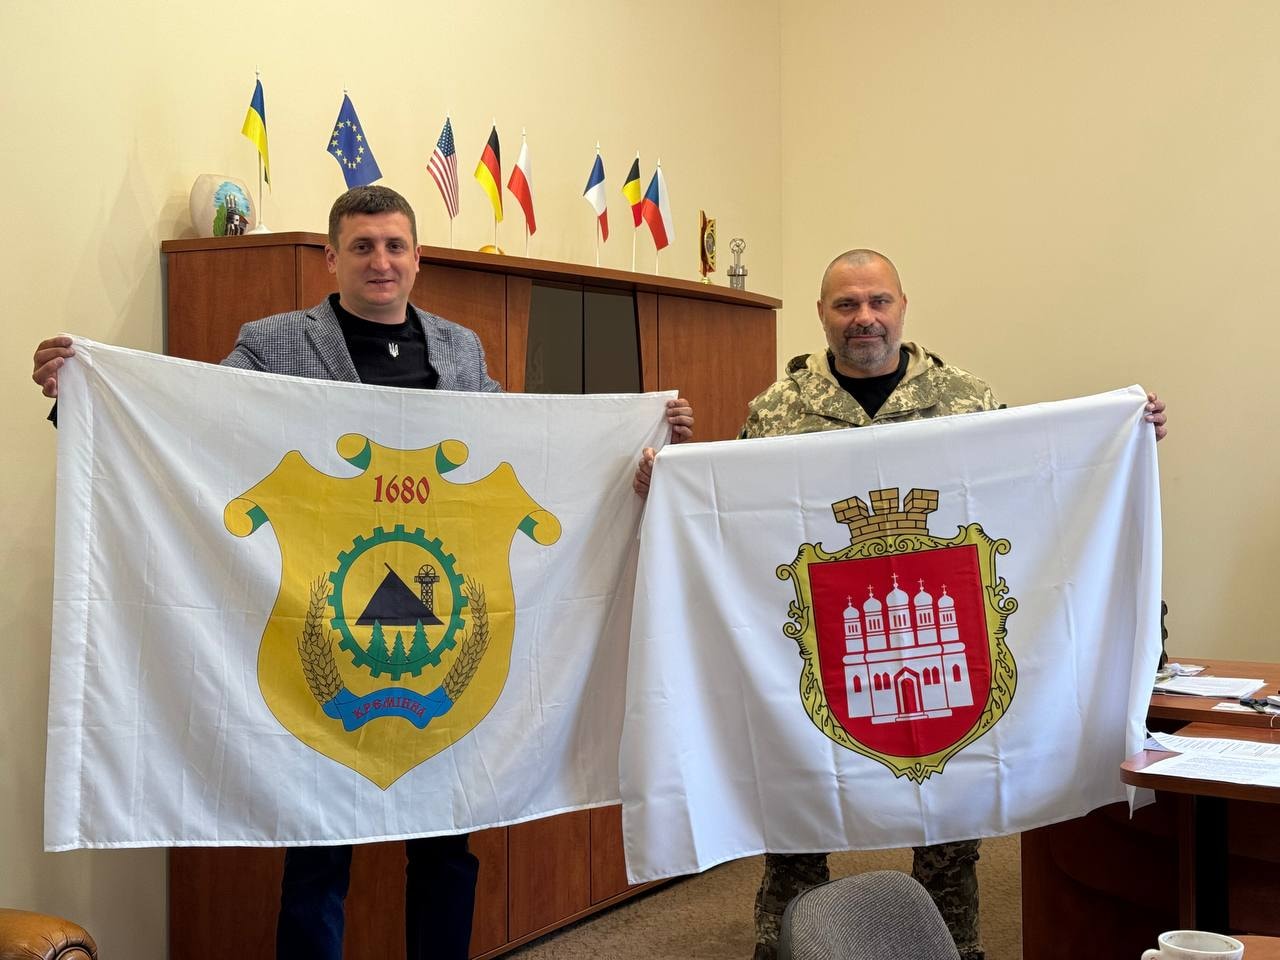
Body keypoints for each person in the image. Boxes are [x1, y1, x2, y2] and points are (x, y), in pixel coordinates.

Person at [33, 184, 694, 960]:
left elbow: (521, 451)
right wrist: (84, 398)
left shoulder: (459, 350)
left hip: (445, 634)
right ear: (332, 257)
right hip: (319, 633)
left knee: (448, 846)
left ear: (417, 257)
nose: (381, 261)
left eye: (394, 245)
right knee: (316, 854)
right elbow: (197, 424)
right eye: (363, 246)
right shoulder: (274, 341)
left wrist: (640, 441)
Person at [730, 248, 1164, 960]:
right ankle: (788, 942)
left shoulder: (966, 397)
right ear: (822, 315)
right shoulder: (776, 411)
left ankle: (952, 944)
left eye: (878, 301)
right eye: (846, 304)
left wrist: (1125, 438)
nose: (864, 318)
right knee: (796, 803)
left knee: (951, 809)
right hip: (823, 638)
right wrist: (670, 471)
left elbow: (1035, 481)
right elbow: (732, 514)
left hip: (945, 630)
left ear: (902, 306)